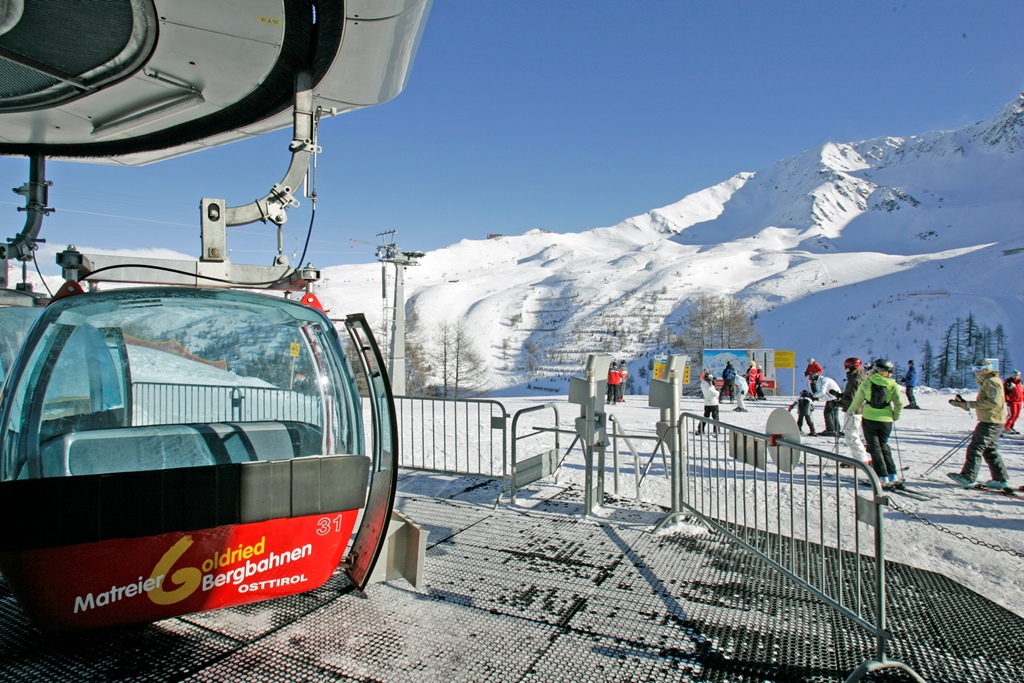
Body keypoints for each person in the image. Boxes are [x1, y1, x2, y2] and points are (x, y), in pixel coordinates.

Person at [948, 359, 1011, 490]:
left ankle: (968, 477)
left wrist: (971, 404)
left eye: (978, 369)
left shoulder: (992, 382)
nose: (976, 372)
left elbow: (993, 403)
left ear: (987, 369)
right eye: (974, 369)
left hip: (991, 421)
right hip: (992, 420)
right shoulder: (988, 382)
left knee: (975, 448)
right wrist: (964, 404)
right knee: (989, 450)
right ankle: (1000, 479)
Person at [848, 358, 903, 488]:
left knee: (874, 448)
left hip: (869, 418)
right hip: (886, 419)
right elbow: (899, 403)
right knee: (884, 445)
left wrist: (850, 411)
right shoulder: (892, 384)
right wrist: (895, 416)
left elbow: (858, 400)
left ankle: (881, 477)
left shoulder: (868, 382)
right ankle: (892, 474)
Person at [838, 357, 871, 465]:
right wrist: (840, 396)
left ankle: (861, 460)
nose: (845, 369)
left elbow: (852, 399)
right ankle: (860, 458)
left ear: (851, 367)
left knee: (852, 436)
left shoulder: (855, 380)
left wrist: (839, 401)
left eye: (846, 367)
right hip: (858, 410)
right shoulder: (861, 376)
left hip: (854, 411)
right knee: (853, 434)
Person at [697, 369, 720, 435]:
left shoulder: (703, 384)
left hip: (707, 403)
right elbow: (715, 394)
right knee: (715, 417)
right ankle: (716, 430)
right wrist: (716, 389)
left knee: (705, 417)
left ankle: (700, 429)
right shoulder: (709, 386)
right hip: (713, 403)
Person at [1004, 370, 1022, 435]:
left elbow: (1022, 392)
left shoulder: (1020, 383)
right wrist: (1007, 400)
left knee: (1016, 415)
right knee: (1012, 415)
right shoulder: (1009, 382)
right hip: (1012, 401)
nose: (1015, 377)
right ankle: (1006, 427)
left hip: (1019, 401)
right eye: (1014, 375)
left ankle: (1010, 426)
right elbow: (1005, 392)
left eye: (1017, 375)